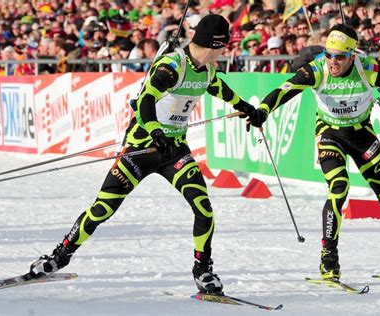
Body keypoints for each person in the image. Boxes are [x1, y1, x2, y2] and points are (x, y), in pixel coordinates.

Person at [28, 14, 256, 294]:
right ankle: (58, 255)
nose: (225, 52)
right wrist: (155, 131)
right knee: (103, 209)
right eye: (224, 47)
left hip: (174, 152)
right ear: (213, 44)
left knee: (204, 209)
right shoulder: (173, 66)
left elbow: (217, 87)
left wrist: (245, 106)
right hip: (141, 147)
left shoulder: (206, 70)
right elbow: (145, 100)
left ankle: (203, 270)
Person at [247, 24, 380, 281]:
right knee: (339, 187)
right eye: (328, 54)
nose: (333, 61)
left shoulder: (369, 70)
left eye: (339, 56)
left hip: (361, 135)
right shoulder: (317, 70)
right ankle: (328, 255)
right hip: (329, 133)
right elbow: (285, 90)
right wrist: (263, 112)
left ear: (352, 55)